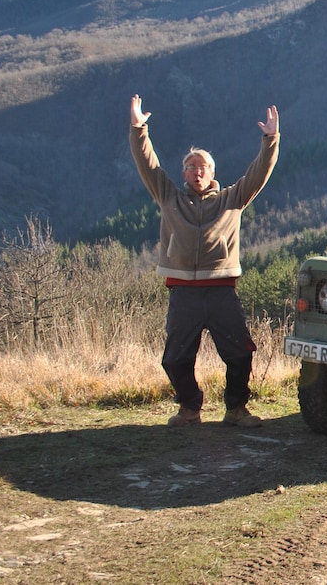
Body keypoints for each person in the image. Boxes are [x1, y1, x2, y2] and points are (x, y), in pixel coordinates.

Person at [129, 94, 280, 428]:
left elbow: (260, 172)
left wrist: (271, 139)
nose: (197, 172)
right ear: (183, 173)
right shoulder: (169, 197)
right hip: (182, 292)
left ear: (213, 172)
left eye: (203, 167)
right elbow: (148, 165)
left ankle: (236, 409)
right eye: (191, 167)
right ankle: (190, 408)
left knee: (240, 353)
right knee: (175, 358)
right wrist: (139, 129)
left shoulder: (232, 199)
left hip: (221, 291)